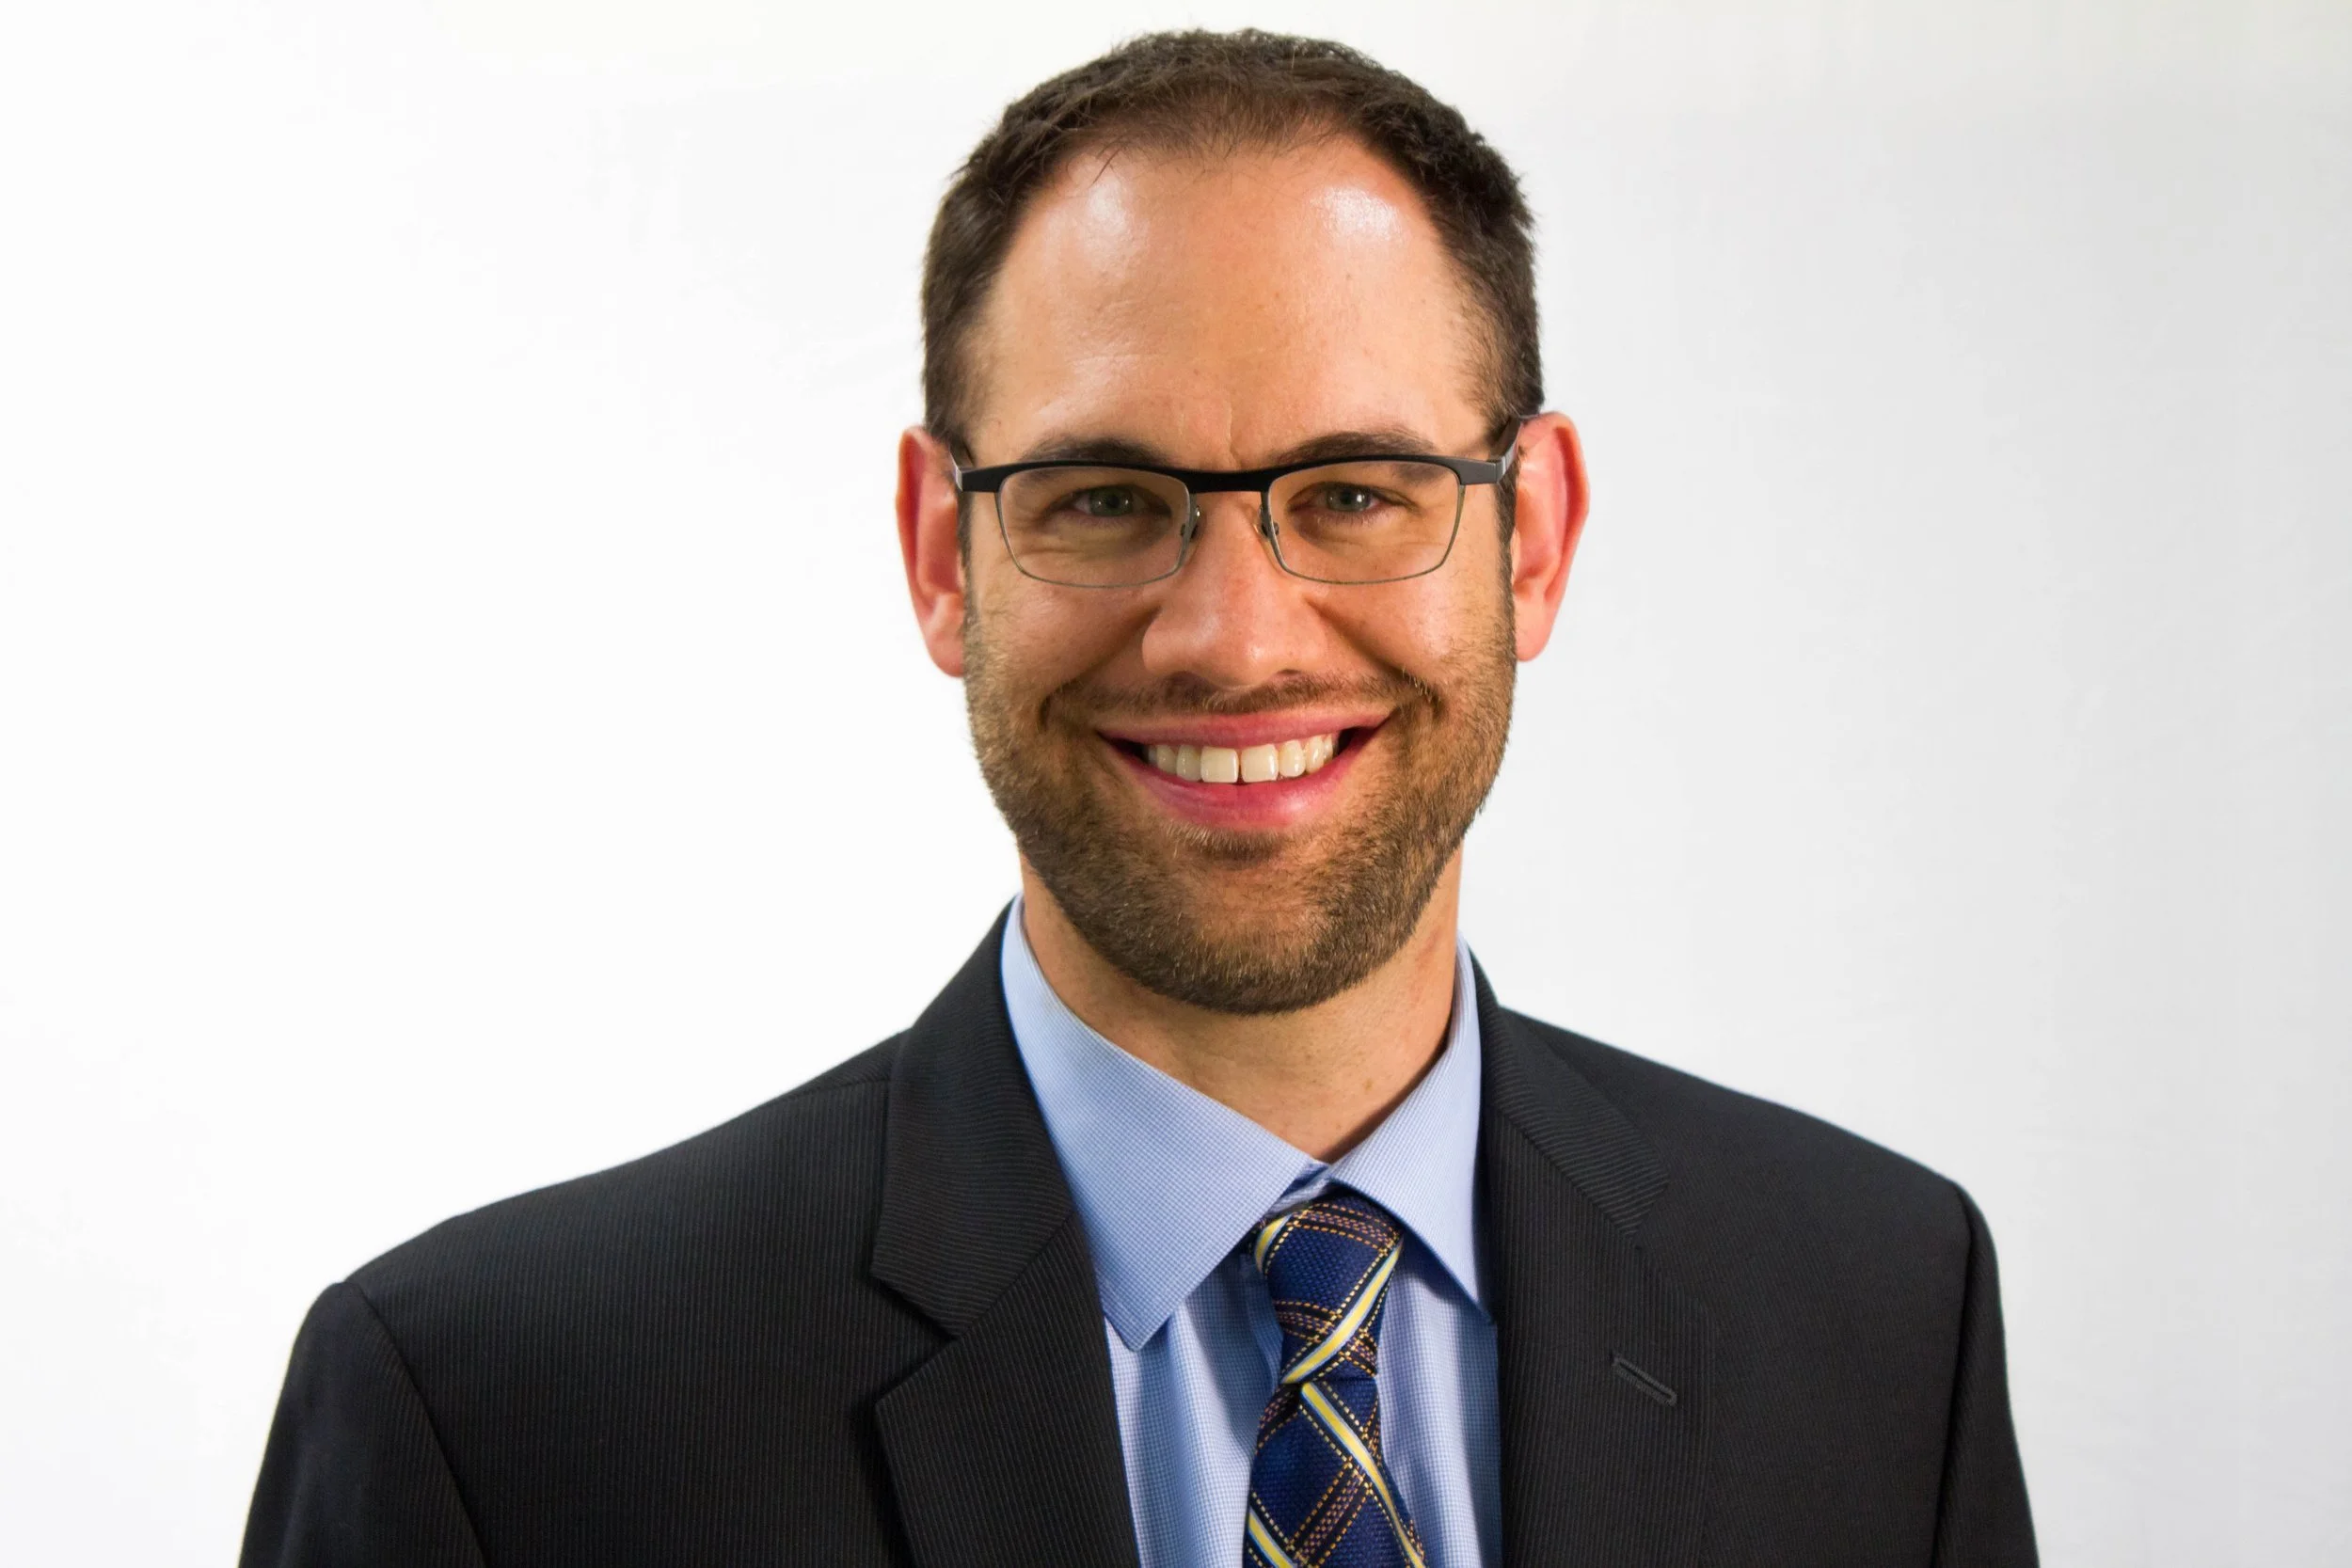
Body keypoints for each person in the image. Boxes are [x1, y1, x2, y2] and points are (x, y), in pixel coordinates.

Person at [241, 29, 2036, 1568]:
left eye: (1354, 490)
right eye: (1103, 496)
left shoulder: (1884, 1311)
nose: (1235, 639)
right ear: (945, 556)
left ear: (1535, 536)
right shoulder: (494, 1417)